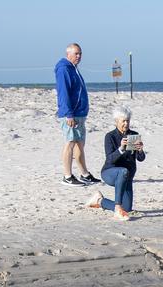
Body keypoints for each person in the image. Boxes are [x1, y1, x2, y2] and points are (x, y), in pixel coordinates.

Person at [86, 105, 145, 221]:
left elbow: (141, 159)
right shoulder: (110, 136)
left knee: (127, 209)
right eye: (123, 121)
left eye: (127, 121)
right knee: (123, 171)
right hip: (110, 172)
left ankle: (99, 200)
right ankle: (117, 209)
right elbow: (110, 159)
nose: (126, 124)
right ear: (116, 122)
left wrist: (140, 150)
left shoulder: (133, 134)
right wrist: (121, 148)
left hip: (127, 176)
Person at [55, 43, 101, 186]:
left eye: (80, 53)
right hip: (71, 114)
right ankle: (67, 176)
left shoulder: (74, 68)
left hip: (79, 113)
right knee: (70, 142)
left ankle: (84, 174)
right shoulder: (64, 69)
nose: (79, 56)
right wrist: (69, 114)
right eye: (76, 54)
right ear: (68, 54)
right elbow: (63, 93)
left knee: (79, 144)